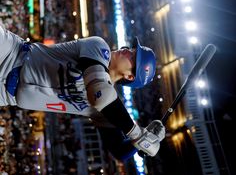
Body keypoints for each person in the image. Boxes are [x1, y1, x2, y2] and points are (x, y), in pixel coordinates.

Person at [0, 23, 165, 160]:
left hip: (5, 95)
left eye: (133, 56)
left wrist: (145, 140)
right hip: (10, 54)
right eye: (132, 48)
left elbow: (119, 152)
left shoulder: (104, 111)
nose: (127, 49)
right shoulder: (99, 46)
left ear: (130, 76)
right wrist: (137, 134)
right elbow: (99, 93)